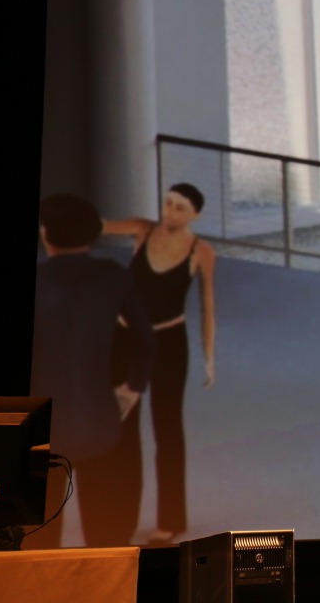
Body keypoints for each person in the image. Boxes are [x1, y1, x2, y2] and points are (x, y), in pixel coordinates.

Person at [31, 194, 154, 548]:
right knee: (106, 538)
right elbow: (146, 339)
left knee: (37, 541)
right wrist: (132, 388)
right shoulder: (113, 276)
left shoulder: (40, 279)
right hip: (100, 417)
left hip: (40, 424)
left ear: (45, 233)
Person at [103, 183, 216, 544]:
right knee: (122, 425)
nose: (170, 211)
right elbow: (98, 226)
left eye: (180, 207)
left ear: (195, 215)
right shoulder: (142, 229)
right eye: (168, 203)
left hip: (169, 343)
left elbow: (208, 306)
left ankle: (171, 519)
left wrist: (209, 356)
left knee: (167, 428)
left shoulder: (201, 251)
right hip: (127, 339)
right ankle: (119, 518)